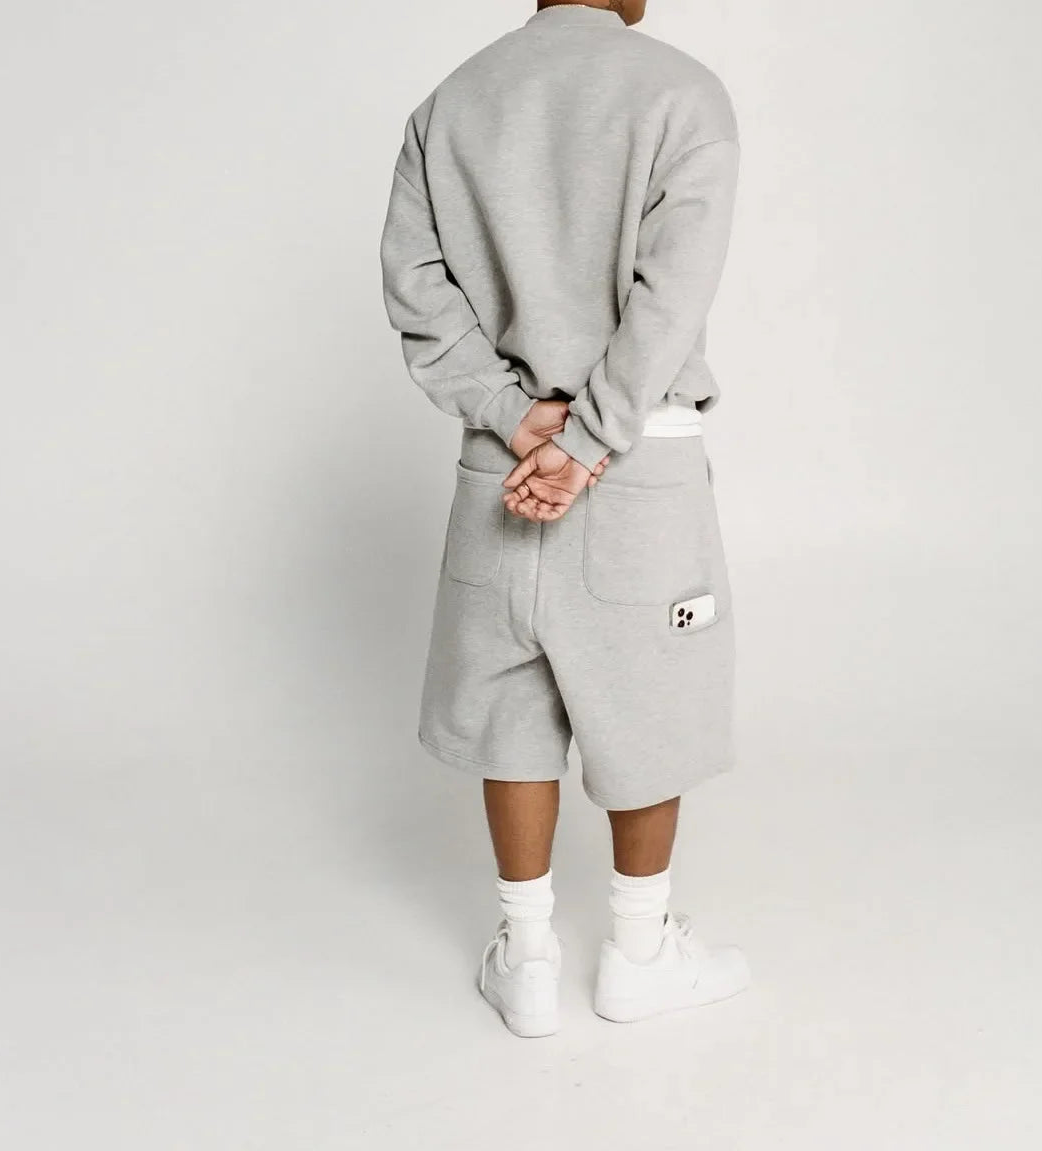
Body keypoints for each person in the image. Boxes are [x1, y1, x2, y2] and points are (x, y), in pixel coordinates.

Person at [380, 0, 748, 1038]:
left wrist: (511, 414)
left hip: (500, 461)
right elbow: (669, 301)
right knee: (652, 701)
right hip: (635, 461)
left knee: (511, 704)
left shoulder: (450, 105)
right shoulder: (682, 93)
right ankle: (641, 952)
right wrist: (588, 442)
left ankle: (527, 955)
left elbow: (417, 290)